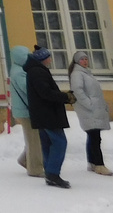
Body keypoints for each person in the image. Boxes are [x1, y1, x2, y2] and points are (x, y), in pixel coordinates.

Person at [24, 46, 71, 188]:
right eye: (48, 57)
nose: (50, 59)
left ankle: (50, 173)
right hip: (48, 114)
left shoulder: (35, 71)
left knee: (48, 144)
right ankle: (52, 174)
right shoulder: (38, 72)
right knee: (59, 142)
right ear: (43, 59)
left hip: (42, 114)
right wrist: (65, 97)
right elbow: (45, 93)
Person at [68, 50, 112, 175]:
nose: (85, 61)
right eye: (82, 59)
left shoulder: (86, 73)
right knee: (95, 137)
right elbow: (77, 90)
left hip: (93, 110)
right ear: (77, 61)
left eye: (86, 59)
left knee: (93, 136)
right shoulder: (77, 74)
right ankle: (99, 164)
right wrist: (90, 104)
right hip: (89, 111)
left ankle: (92, 162)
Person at [9, 45, 44, 178]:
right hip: (27, 110)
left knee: (33, 138)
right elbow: (30, 90)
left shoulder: (17, 69)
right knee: (34, 140)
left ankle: (25, 160)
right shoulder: (20, 73)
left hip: (24, 110)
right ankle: (35, 168)